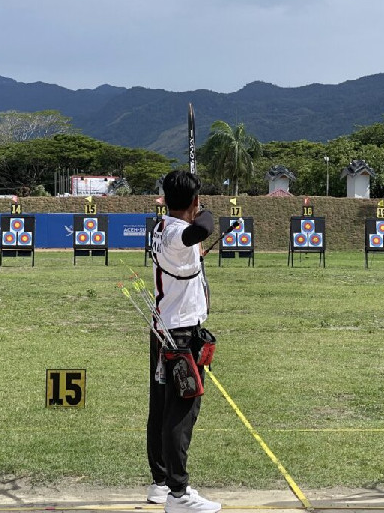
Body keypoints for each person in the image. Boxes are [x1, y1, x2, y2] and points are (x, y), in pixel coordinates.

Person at [146, 170, 221, 513]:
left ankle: (160, 483)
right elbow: (204, 227)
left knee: (162, 407)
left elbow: (186, 245)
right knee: (182, 409)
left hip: (163, 329)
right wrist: (200, 207)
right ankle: (178, 494)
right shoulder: (180, 232)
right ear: (192, 202)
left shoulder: (160, 227)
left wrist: (190, 203)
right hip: (179, 335)